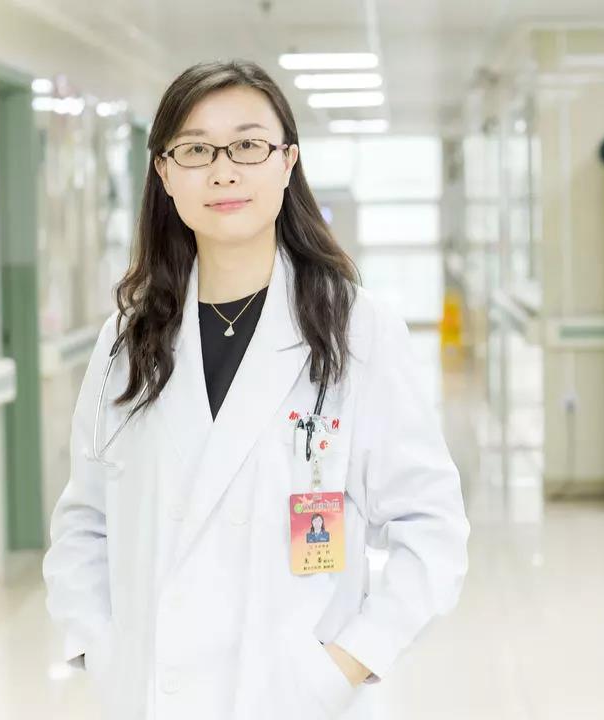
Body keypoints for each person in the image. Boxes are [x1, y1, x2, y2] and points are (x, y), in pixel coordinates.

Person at [41, 59, 470, 720]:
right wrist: (104, 650)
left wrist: (343, 664)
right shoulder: (127, 339)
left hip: (294, 699)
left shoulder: (356, 329)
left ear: (288, 161)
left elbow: (430, 526)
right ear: (164, 173)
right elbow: (84, 521)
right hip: (155, 695)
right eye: (195, 150)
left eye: (247, 145)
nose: (223, 171)